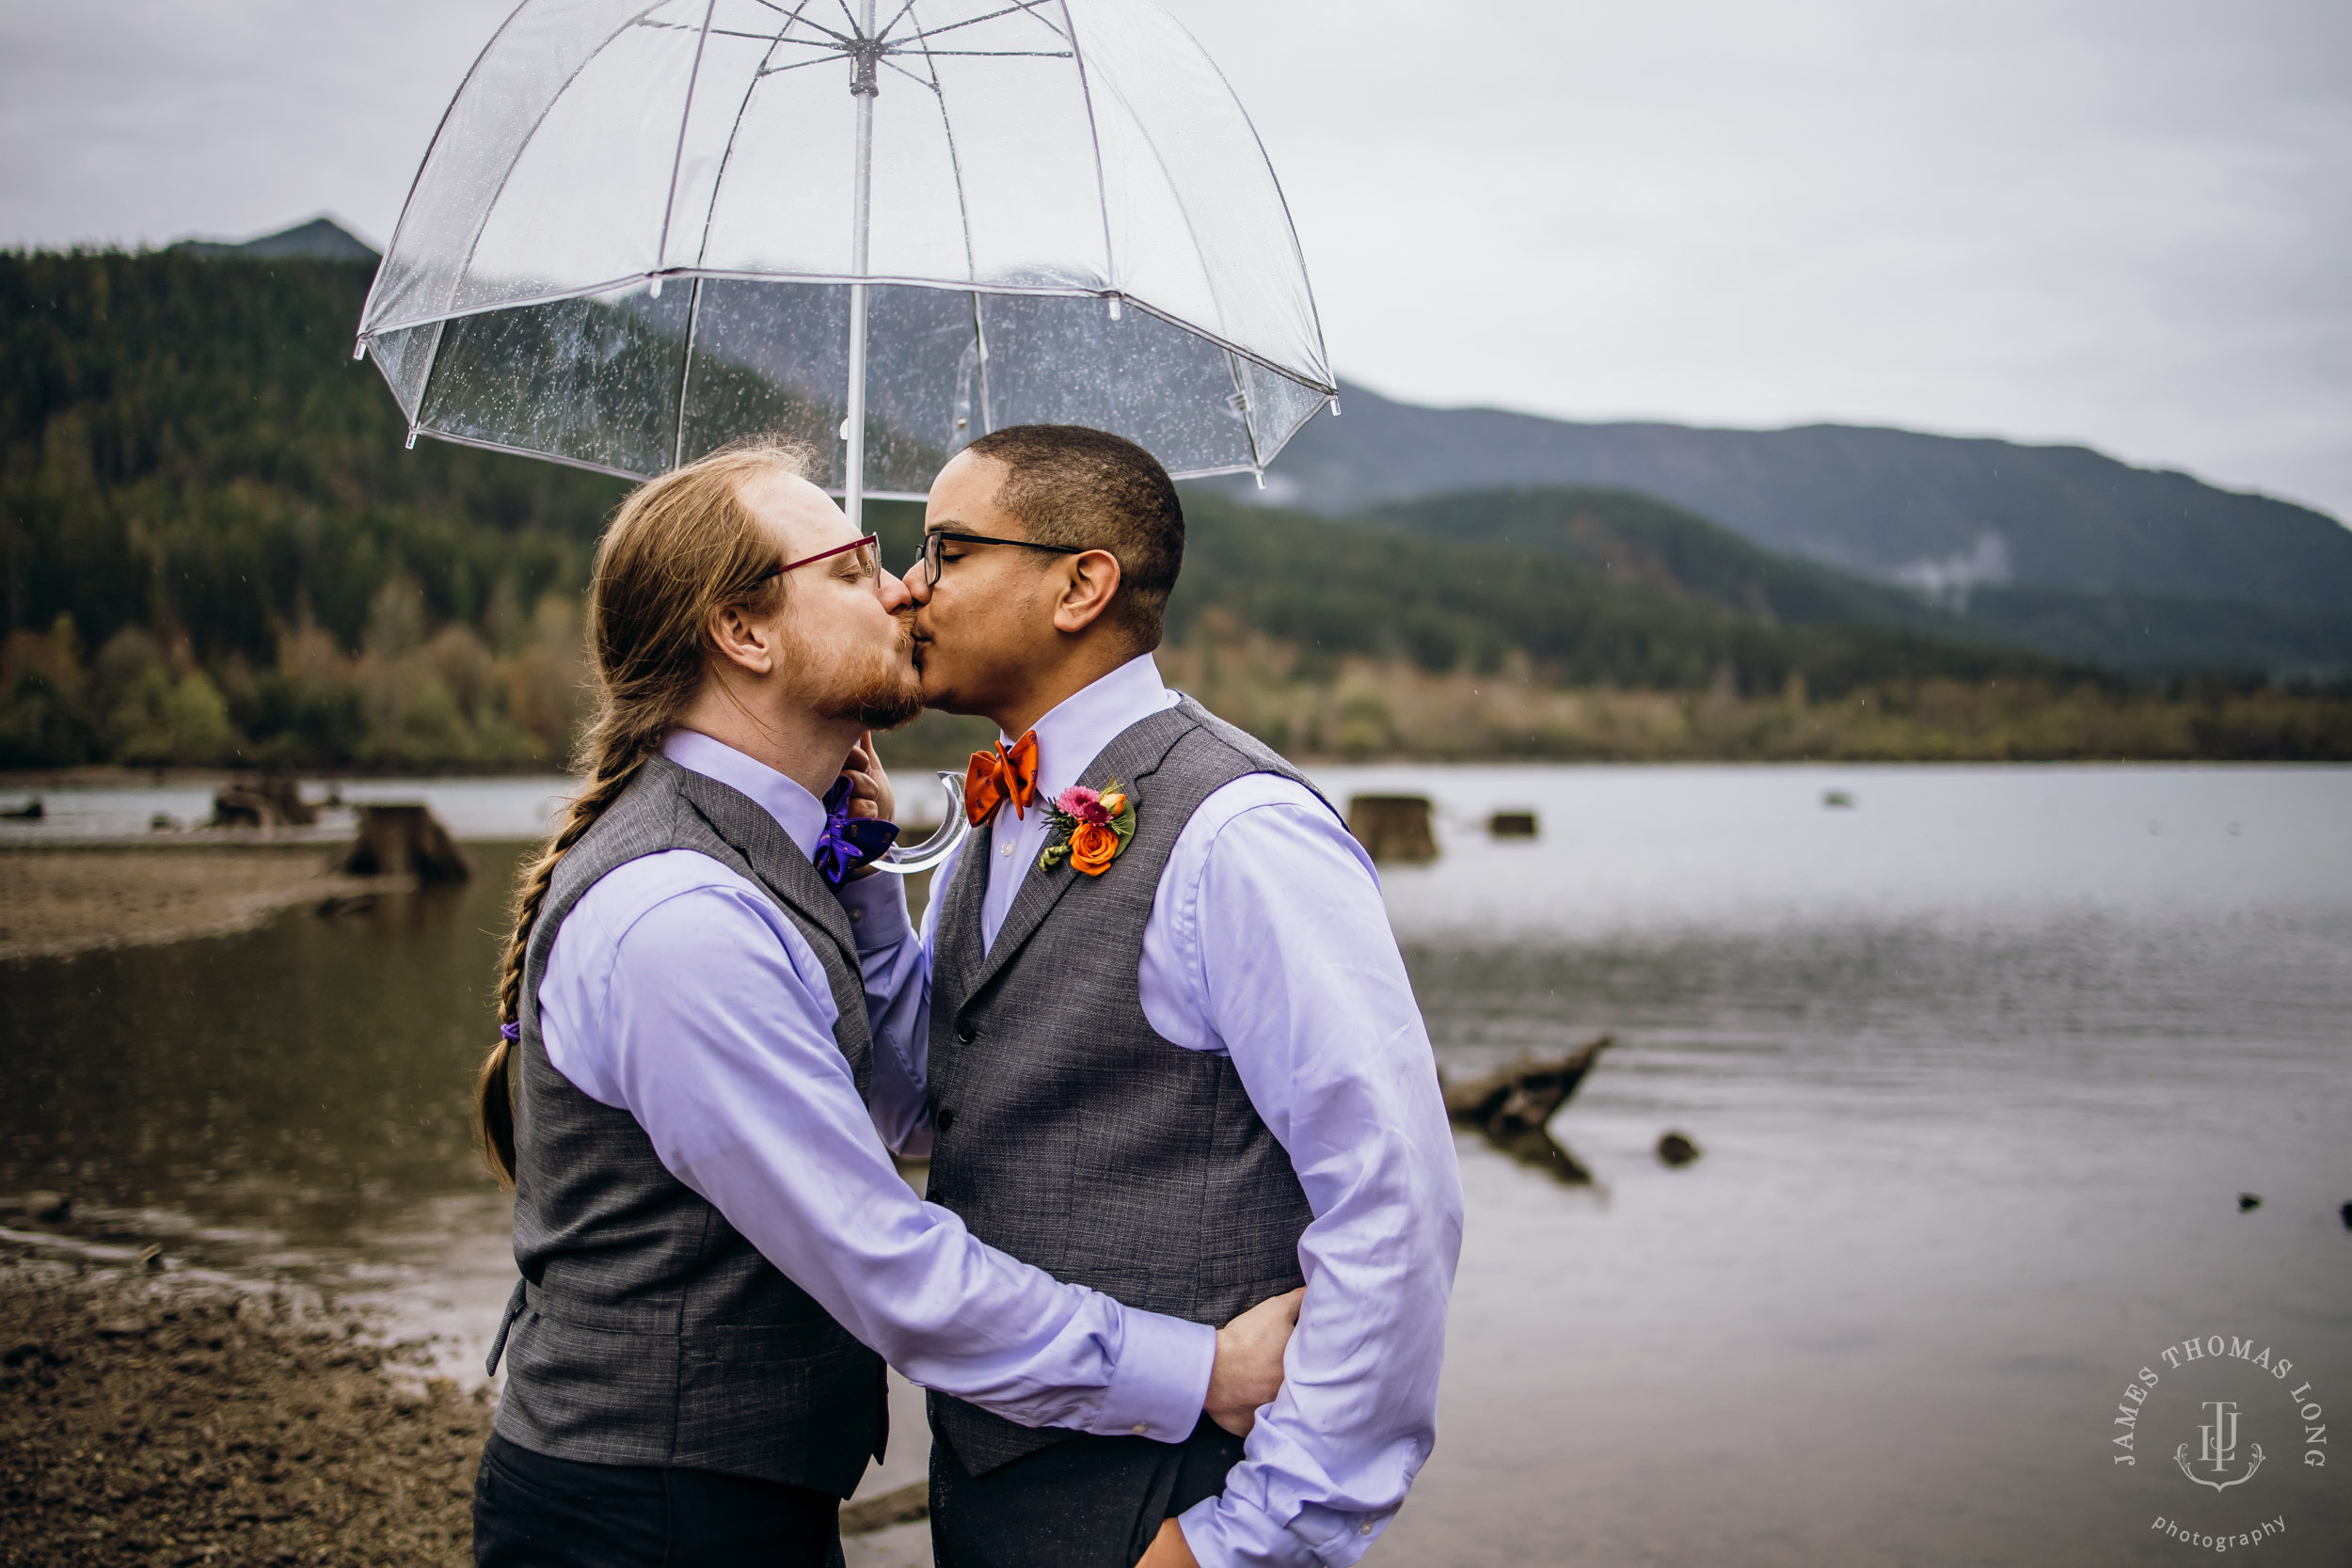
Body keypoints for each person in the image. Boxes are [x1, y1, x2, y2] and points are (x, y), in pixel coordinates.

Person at [468, 436, 1302, 1568]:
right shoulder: (680, 919)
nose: (905, 587)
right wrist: (1201, 1368)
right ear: (744, 630)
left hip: (730, 1495)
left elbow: (905, 1101)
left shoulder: (779, 859)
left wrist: (860, 881)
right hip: (649, 1517)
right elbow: (881, 1258)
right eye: (856, 568)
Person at [898, 425, 1465, 1568]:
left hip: (1166, 1509)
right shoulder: (989, 822)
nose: (909, 586)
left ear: (1080, 583)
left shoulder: (1238, 832)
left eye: (948, 549)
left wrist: (1250, 1538)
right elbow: (931, 1097)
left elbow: (1395, 1200)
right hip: (999, 1486)